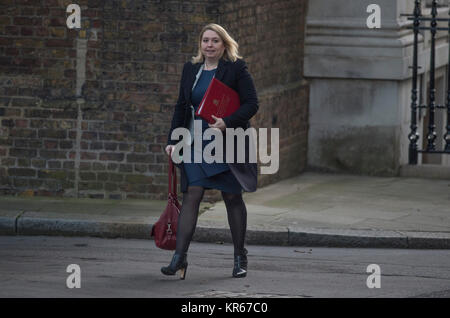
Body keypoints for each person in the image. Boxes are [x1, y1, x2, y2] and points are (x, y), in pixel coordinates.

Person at [162, 23, 259, 279]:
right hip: (195, 142)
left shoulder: (235, 68)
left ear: (224, 44)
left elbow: (252, 103)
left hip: (226, 142)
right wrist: (173, 140)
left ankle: (240, 257)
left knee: (231, 197)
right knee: (192, 194)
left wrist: (227, 122)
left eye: (215, 40)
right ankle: (178, 259)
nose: (209, 45)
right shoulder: (191, 69)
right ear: (200, 44)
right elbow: (182, 107)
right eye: (205, 40)